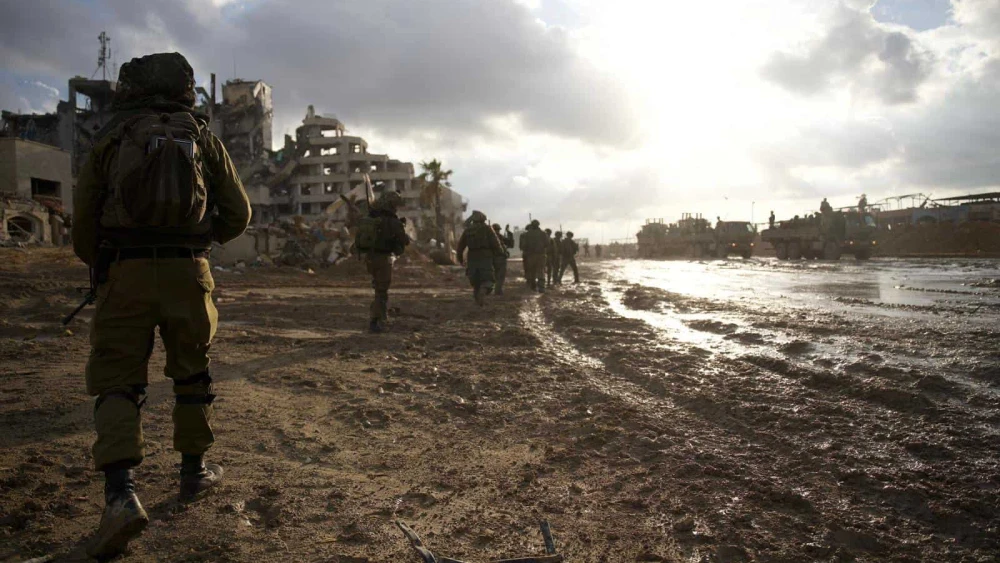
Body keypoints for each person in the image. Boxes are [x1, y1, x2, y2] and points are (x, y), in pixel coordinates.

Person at [71, 52, 251, 558]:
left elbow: (83, 222)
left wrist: (106, 260)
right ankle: (194, 474)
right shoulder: (203, 138)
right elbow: (239, 213)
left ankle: (121, 496)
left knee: (117, 379)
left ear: (131, 88)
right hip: (188, 272)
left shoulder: (111, 137)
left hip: (125, 273)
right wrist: (199, 240)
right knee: (193, 373)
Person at [356, 191, 409, 332]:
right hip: (384, 259)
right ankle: (375, 322)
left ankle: (380, 317)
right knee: (381, 291)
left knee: (378, 289)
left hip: (370, 259)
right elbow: (405, 241)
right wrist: (402, 228)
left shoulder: (371, 217)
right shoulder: (393, 221)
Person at [456, 211, 505, 305]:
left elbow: (460, 246)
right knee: (488, 280)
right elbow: (496, 244)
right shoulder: (487, 229)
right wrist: (500, 254)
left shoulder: (468, 230)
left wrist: (460, 259)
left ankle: (478, 301)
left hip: (472, 257)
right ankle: (482, 294)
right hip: (485, 257)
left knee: (475, 281)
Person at [518, 219, 548, 292]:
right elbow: (547, 243)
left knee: (532, 271)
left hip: (530, 255)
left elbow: (523, 246)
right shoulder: (543, 233)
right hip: (541, 255)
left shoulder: (527, 234)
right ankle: (541, 287)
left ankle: (533, 286)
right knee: (541, 271)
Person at [492, 223, 514, 295]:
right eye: (497, 230)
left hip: (494, 259)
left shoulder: (498, 237)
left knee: (496, 275)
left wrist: (509, 232)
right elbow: (510, 244)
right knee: (500, 275)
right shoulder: (497, 237)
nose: (497, 231)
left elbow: (510, 244)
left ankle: (497, 290)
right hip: (499, 258)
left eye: (498, 230)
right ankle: (498, 291)